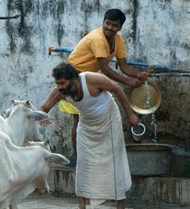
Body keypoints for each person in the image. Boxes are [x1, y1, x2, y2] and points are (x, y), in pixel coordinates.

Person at [41, 62, 142, 209]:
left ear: (74, 78)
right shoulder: (60, 92)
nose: (60, 87)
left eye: (62, 83)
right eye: (57, 83)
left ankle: (120, 207)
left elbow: (117, 90)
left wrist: (130, 115)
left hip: (108, 119)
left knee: (113, 160)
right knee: (83, 163)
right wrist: (42, 118)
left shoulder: (92, 79)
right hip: (86, 125)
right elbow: (44, 109)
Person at [57, 9, 149, 155]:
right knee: (79, 120)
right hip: (73, 79)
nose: (110, 28)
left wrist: (138, 75)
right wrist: (128, 82)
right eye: (107, 23)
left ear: (120, 27)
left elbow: (124, 66)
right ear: (103, 22)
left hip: (88, 80)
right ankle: (77, 155)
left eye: (114, 25)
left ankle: (92, 153)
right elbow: (105, 69)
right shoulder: (97, 38)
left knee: (90, 118)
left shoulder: (118, 41)